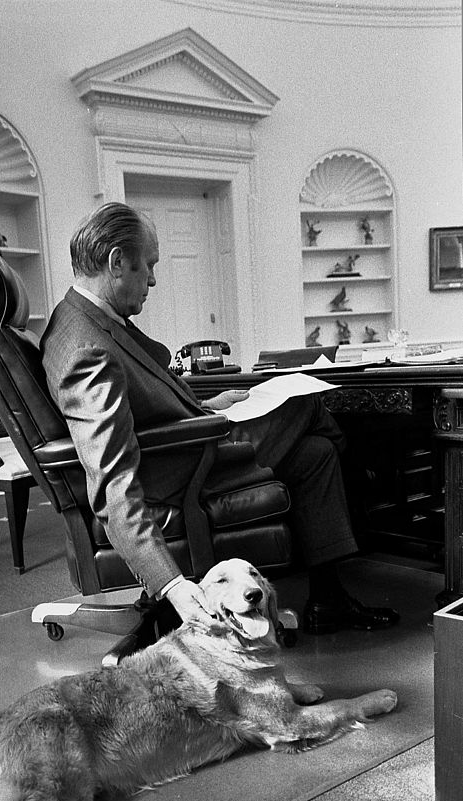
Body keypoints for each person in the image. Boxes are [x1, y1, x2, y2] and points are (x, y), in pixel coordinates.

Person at [40, 202, 399, 635]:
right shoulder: (86, 348)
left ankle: (329, 598)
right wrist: (171, 584)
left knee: (316, 452)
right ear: (117, 262)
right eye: (148, 266)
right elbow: (112, 478)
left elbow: (142, 408)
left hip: (189, 446)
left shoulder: (85, 320)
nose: (153, 279)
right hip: (186, 474)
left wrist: (211, 406)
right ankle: (373, 490)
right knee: (306, 403)